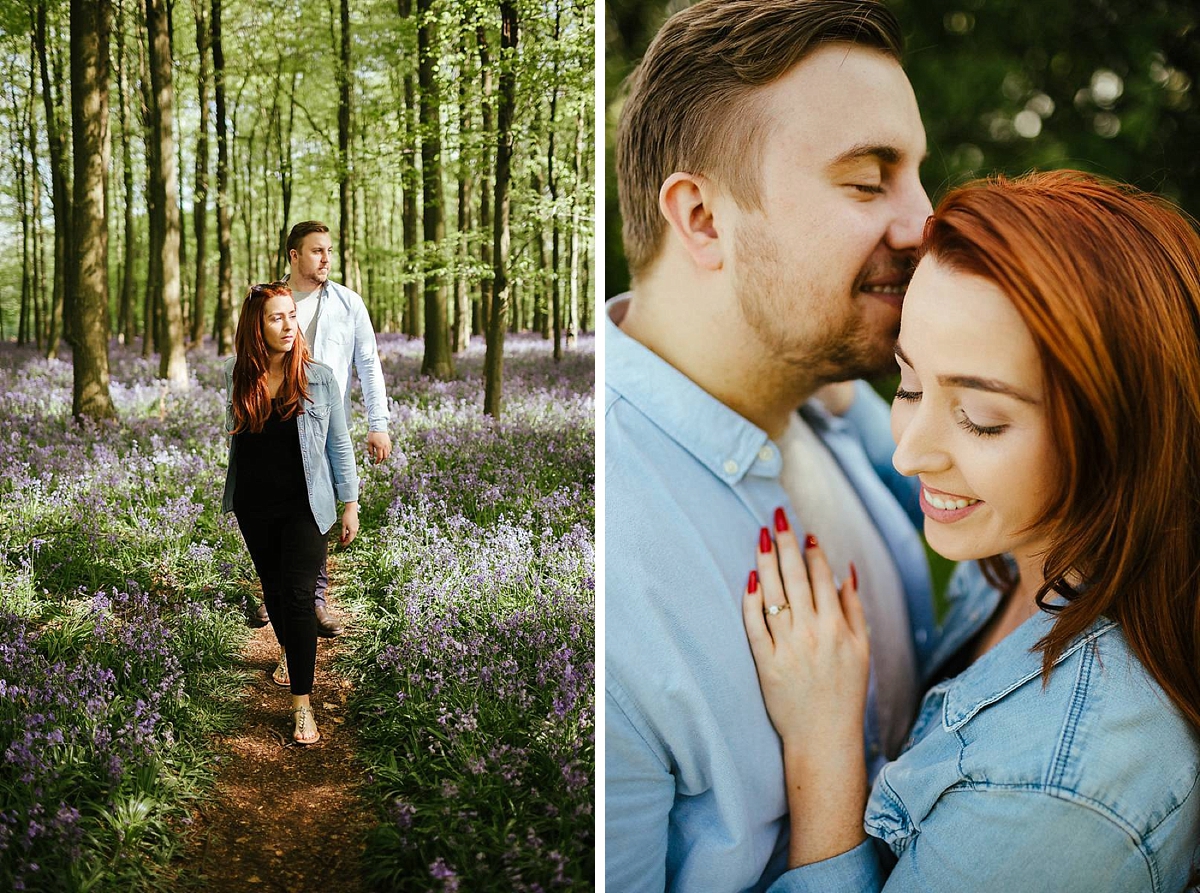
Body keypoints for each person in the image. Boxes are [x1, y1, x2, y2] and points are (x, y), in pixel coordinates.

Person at [745, 171, 1200, 891]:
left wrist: (822, 748)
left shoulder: (1062, 794)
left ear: (1118, 431)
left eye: (980, 418)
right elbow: (894, 448)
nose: (908, 451)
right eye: (909, 384)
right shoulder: (1037, 541)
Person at [605, 1, 939, 889]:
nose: (924, 223)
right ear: (704, 217)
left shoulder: (837, 401)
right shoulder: (612, 594)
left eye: (915, 177)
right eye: (869, 182)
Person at [223, 282, 361, 745]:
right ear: (256, 327)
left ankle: (302, 705)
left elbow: (339, 444)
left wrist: (350, 502)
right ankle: (291, 652)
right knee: (277, 595)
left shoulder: (319, 378)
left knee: (300, 598)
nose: (287, 325)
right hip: (255, 505)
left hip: (308, 505)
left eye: (290, 315)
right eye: (275, 317)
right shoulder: (237, 374)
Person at [247, 221, 391, 637]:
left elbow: (368, 364)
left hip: (327, 421)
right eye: (316, 251)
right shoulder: (269, 300)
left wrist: (377, 424)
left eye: (329, 251)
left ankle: (315, 597)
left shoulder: (348, 304)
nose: (326, 258)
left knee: (320, 503)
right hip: (273, 421)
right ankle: (276, 589)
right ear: (294, 255)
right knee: (275, 504)